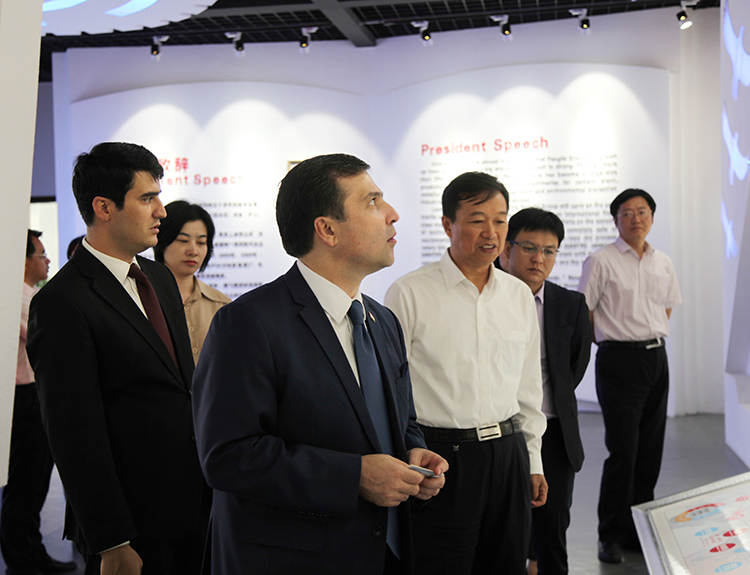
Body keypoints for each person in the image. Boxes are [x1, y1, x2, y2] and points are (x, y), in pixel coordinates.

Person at [192, 153, 448, 575]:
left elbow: (400, 420)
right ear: (327, 229)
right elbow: (228, 456)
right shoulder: (249, 323)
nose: (392, 214)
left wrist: (413, 451)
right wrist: (354, 476)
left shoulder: (382, 320)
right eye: (372, 201)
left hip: (382, 552)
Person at [26, 142, 209, 575]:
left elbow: (181, 385)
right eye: (147, 199)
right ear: (104, 207)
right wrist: (112, 539)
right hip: (133, 522)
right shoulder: (62, 301)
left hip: (195, 502)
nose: (161, 211)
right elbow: (74, 432)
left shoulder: (158, 276)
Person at [385, 172, 547, 575]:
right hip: (441, 458)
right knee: (440, 564)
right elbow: (392, 389)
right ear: (448, 224)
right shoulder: (410, 293)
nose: (491, 232)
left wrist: (533, 460)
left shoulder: (518, 295)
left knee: (506, 564)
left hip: (507, 454)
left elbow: (528, 390)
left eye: (500, 220)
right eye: (477, 220)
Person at [577, 189, 681, 564]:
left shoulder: (662, 261)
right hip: (619, 360)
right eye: (627, 213)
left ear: (651, 216)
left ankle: (639, 531)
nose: (636, 218)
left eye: (642, 211)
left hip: (656, 357)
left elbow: (666, 307)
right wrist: (614, 340)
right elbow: (584, 310)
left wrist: (646, 336)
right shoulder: (601, 260)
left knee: (650, 450)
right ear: (616, 219)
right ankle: (611, 535)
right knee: (624, 451)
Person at [498, 208, 592, 575]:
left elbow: (573, 368)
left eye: (549, 251)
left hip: (553, 432)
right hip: (500, 431)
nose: (539, 258)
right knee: (503, 527)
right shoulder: (489, 298)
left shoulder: (571, 304)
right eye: (529, 247)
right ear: (508, 249)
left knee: (553, 525)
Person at [0, 231, 76, 575]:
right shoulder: (17, 296)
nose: (47, 261)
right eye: (41, 255)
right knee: (25, 484)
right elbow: (44, 339)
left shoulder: (29, 294)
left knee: (34, 482)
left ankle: (30, 553)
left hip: (32, 395)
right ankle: (22, 559)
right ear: (24, 260)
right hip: (24, 398)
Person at [154, 200, 230, 363]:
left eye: (201, 242)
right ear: (162, 241)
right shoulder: (143, 297)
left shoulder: (222, 306)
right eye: (183, 240)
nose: (193, 251)